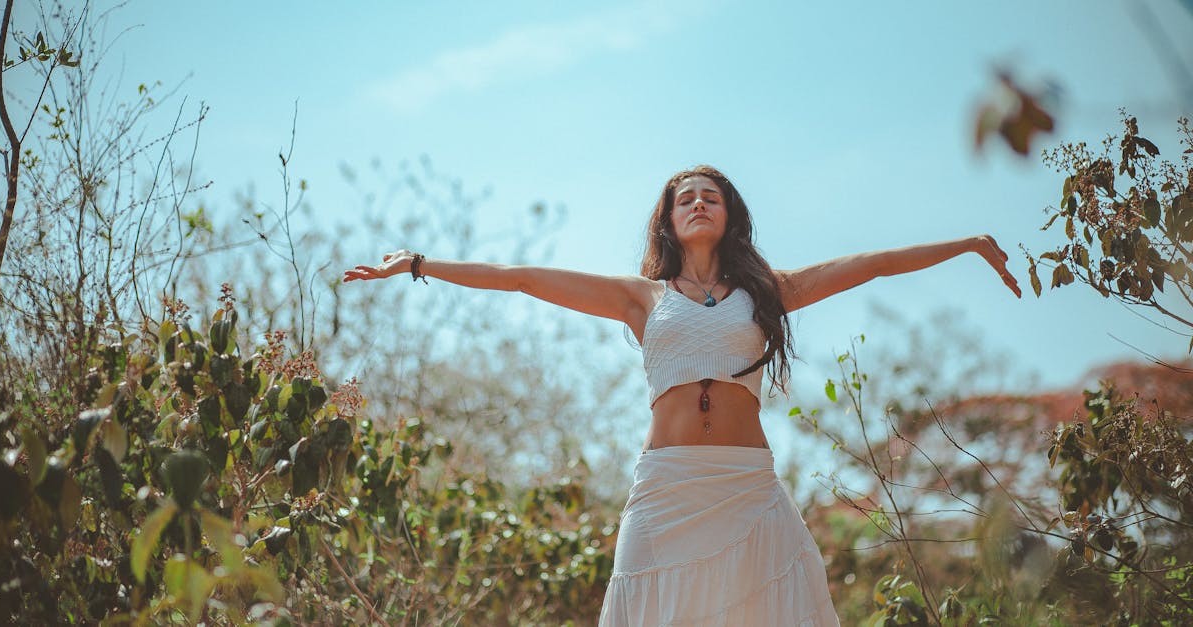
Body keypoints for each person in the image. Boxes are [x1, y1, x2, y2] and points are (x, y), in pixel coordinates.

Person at [343, 165, 1021, 626]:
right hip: (666, 487)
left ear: (730, 216)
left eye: (711, 196)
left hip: (745, 485)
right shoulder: (641, 297)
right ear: (668, 217)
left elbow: (871, 263)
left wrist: (964, 244)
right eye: (685, 197)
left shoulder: (768, 290)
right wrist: (420, 264)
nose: (699, 202)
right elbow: (520, 277)